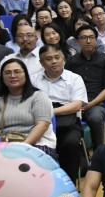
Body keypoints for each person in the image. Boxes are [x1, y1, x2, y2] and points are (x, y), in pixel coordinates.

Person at [32, 43, 87, 183]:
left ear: (64, 58)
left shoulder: (74, 78)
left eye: (57, 57)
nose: (54, 61)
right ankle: (42, 184)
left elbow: (77, 105)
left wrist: (50, 112)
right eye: (48, 59)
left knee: (71, 143)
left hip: (67, 121)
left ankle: (69, 184)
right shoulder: (33, 80)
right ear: (41, 62)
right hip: (39, 122)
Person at [0, 59, 57, 157]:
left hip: (36, 145)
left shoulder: (38, 96)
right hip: (5, 147)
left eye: (17, 72)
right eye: (7, 73)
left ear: (25, 75)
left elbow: (42, 125)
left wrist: (23, 147)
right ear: (2, 78)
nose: (12, 76)